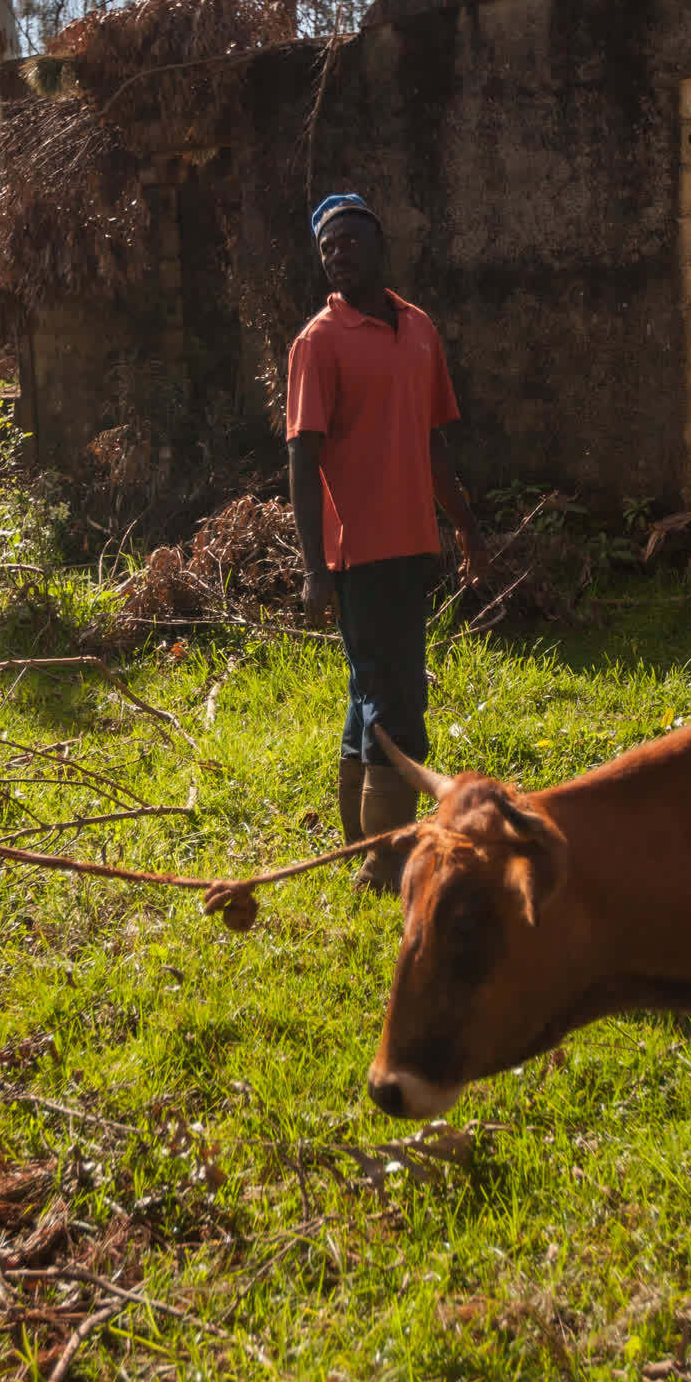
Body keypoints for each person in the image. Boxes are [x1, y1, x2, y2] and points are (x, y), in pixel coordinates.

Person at [285, 193, 488, 892]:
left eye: (346, 241)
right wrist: (315, 569)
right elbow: (302, 461)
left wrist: (463, 524)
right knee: (398, 703)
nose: (335, 254)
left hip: (413, 544)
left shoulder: (421, 330)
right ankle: (389, 859)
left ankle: (360, 839)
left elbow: (432, 443)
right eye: (325, 248)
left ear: (378, 243)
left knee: (373, 686)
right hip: (358, 553)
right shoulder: (317, 342)